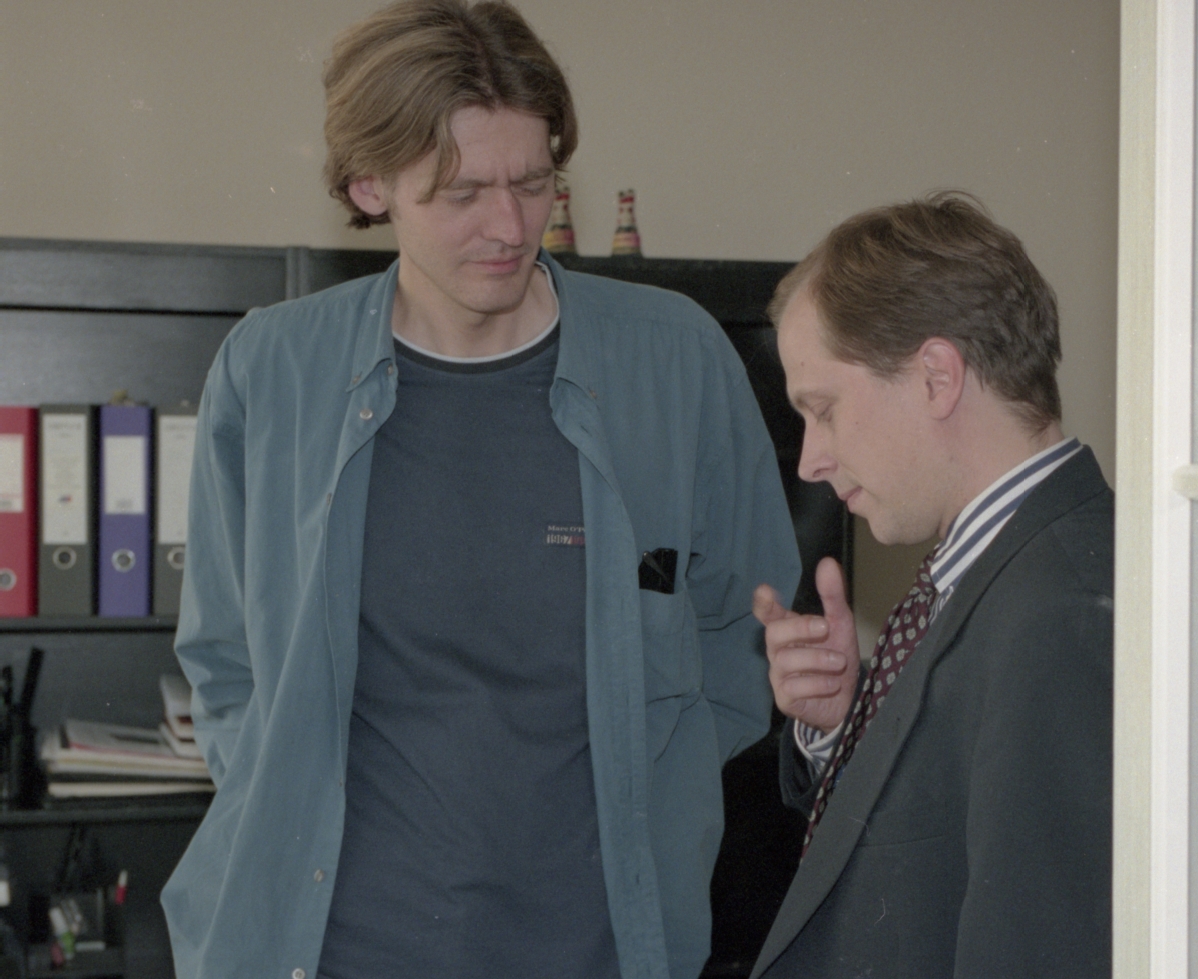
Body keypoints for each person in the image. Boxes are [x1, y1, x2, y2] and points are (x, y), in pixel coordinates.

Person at [161, 3, 799, 978]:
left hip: (601, 945)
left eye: (534, 182)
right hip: (331, 948)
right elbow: (226, 661)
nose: (509, 227)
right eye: (462, 192)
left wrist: (646, 791)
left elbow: (741, 634)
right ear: (369, 185)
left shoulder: (674, 359)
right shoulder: (271, 369)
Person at [747, 193, 1114, 978]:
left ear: (937, 376)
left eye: (823, 409)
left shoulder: (1061, 608)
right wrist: (846, 727)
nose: (810, 459)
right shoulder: (1002, 569)